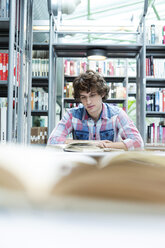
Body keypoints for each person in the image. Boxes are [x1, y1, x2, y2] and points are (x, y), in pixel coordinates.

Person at [48, 70, 144, 150]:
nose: (88, 102)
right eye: (83, 97)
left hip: (108, 165)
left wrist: (105, 145)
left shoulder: (117, 114)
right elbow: (53, 141)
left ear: (102, 94)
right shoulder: (72, 115)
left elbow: (138, 142)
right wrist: (92, 143)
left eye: (92, 95)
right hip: (81, 165)